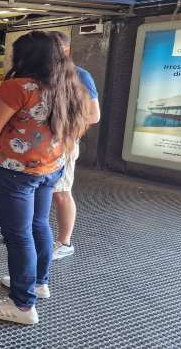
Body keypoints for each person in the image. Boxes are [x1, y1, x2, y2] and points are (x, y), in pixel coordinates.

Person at [0, 31, 90, 325]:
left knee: (18, 236)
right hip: (50, 168)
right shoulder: (71, 86)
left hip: (15, 173)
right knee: (39, 225)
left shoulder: (18, 87)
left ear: (25, 57)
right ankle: (39, 283)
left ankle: (22, 305)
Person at [49, 31, 101, 260]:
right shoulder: (41, 75)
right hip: (39, 145)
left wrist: (67, 134)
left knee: (61, 192)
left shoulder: (80, 76)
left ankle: (64, 242)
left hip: (63, 145)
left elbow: (93, 115)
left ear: (66, 50)